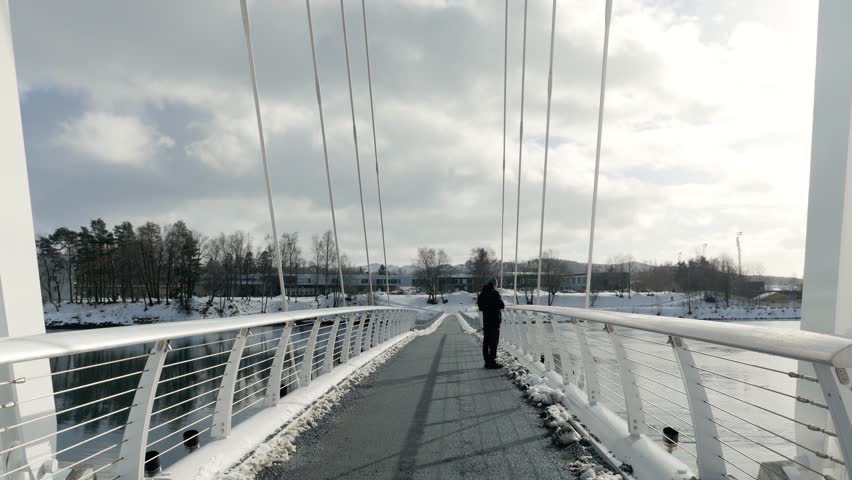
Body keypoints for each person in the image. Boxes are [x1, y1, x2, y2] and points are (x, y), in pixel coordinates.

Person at [477, 278, 505, 369]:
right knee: (494, 343)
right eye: (496, 284)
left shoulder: (482, 294)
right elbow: (502, 305)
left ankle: (486, 362)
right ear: (494, 284)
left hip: (486, 321)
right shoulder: (495, 293)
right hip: (494, 321)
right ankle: (492, 362)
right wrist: (494, 306)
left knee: (486, 342)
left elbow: (480, 308)